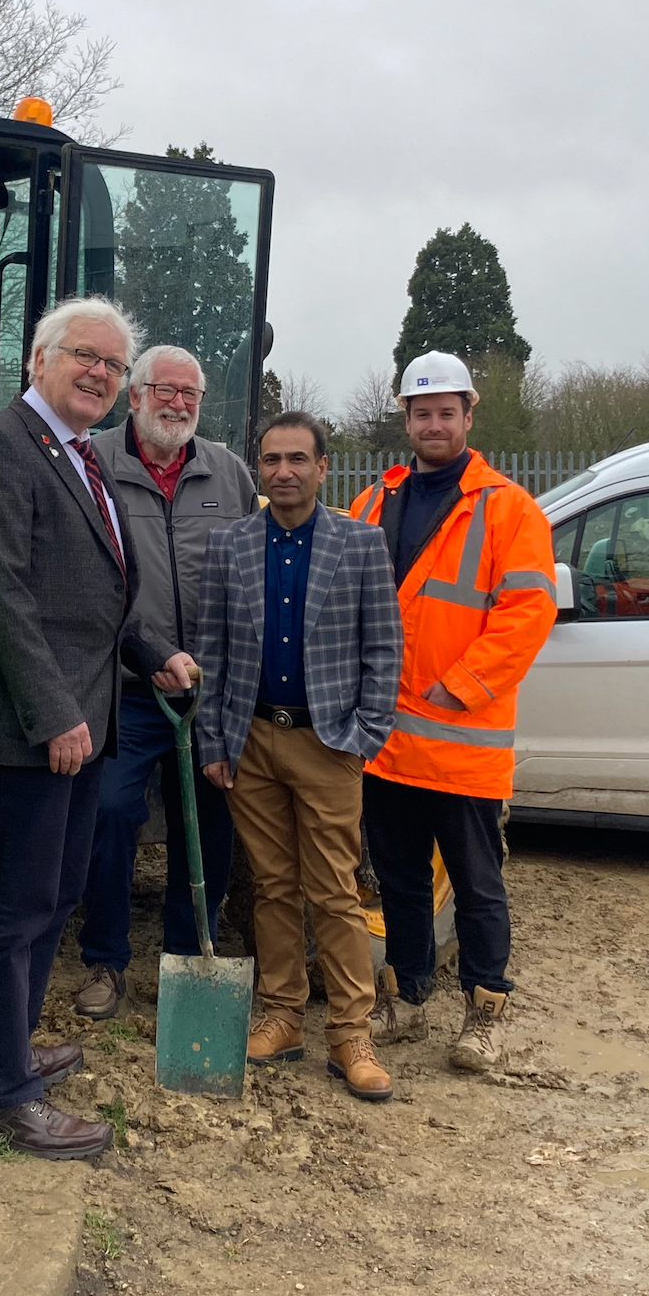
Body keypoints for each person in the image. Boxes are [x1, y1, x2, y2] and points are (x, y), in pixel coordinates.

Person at [0, 296, 196, 1159]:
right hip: (34, 727)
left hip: (87, 725)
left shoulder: (79, 455)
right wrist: (53, 711)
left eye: (110, 364)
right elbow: (2, 595)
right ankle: (0, 1092)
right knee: (13, 907)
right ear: (38, 361)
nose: (98, 372)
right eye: (82, 355)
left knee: (53, 897)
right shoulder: (2, 448)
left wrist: (156, 652)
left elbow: (101, 598)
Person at [348, 351, 558, 1074]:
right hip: (386, 741)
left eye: (446, 412)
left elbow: (527, 613)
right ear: (404, 419)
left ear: (469, 417)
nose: (433, 424)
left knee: (476, 886)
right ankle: (407, 995)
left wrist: (464, 683)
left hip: (462, 739)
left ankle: (486, 1008)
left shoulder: (507, 508)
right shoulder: (375, 501)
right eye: (421, 412)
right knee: (400, 879)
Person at [194, 410, 402, 1100]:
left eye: (297, 460)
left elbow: (384, 649)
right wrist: (216, 742)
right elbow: (215, 649)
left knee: (334, 892)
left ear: (321, 467)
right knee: (273, 886)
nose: (283, 472)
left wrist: (365, 734)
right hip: (252, 740)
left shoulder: (361, 543)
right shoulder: (232, 546)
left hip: (328, 741)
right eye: (272, 460)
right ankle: (282, 1015)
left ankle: (349, 1034)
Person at [73, 345, 256, 1020]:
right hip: (125, 686)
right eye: (164, 391)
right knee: (113, 811)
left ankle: (190, 955)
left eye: (190, 394)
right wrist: (140, 654)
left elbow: (249, 572)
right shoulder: (94, 464)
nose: (178, 404)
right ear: (134, 396)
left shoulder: (227, 473)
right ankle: (105, 960)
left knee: (206, 822)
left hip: (207, 691)